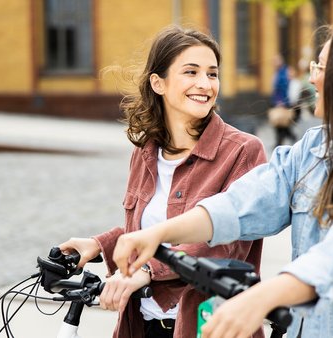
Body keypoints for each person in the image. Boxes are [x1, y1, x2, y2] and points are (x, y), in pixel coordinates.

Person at [113, 19, 333, 338]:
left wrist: (258, 299)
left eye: (321, 68)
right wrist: (159, 233)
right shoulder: (314, 150)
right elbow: (242, 204)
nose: (311, 79)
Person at [58, 25, 267, 338]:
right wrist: (101, 244)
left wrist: (145, 270)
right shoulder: (145, 152)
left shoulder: (243, 152)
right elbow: (145, 233)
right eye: (191, 72)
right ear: (158, 83)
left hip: (206, 327)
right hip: (143, 325)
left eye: (212, 73)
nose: (205, 84)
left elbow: (225, 246)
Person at [271, 54, 297, 148]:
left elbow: (283, 87)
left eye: (275, 61)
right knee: (281, 124)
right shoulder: (278, 71)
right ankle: (282, 140)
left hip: (282, 102)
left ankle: (282, 141)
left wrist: (280, 102)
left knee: (281, 124)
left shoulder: (283, 72)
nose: (273, 63)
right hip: (279, 101)